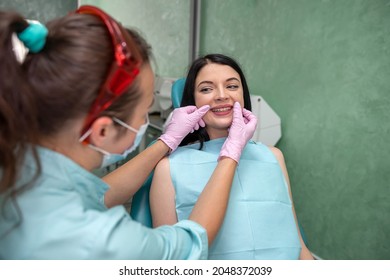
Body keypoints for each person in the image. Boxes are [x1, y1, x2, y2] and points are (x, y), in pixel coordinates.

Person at [0, 6, 257, 259]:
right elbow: (189, 246)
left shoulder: (18, 161)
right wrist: (230, 155)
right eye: (145, 110)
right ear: (102, 130)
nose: (222, 95)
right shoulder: (98, 238)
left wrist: (166, 141)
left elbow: (98, 194)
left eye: (231, 86)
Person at [150, 53, 314, 260]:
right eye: (207, 89)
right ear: (192, 102)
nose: (221, 95)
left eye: (232, 86)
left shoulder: (273, 157)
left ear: (243, 95)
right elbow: (168, 259)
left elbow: (296, 243)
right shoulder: (168, 168)